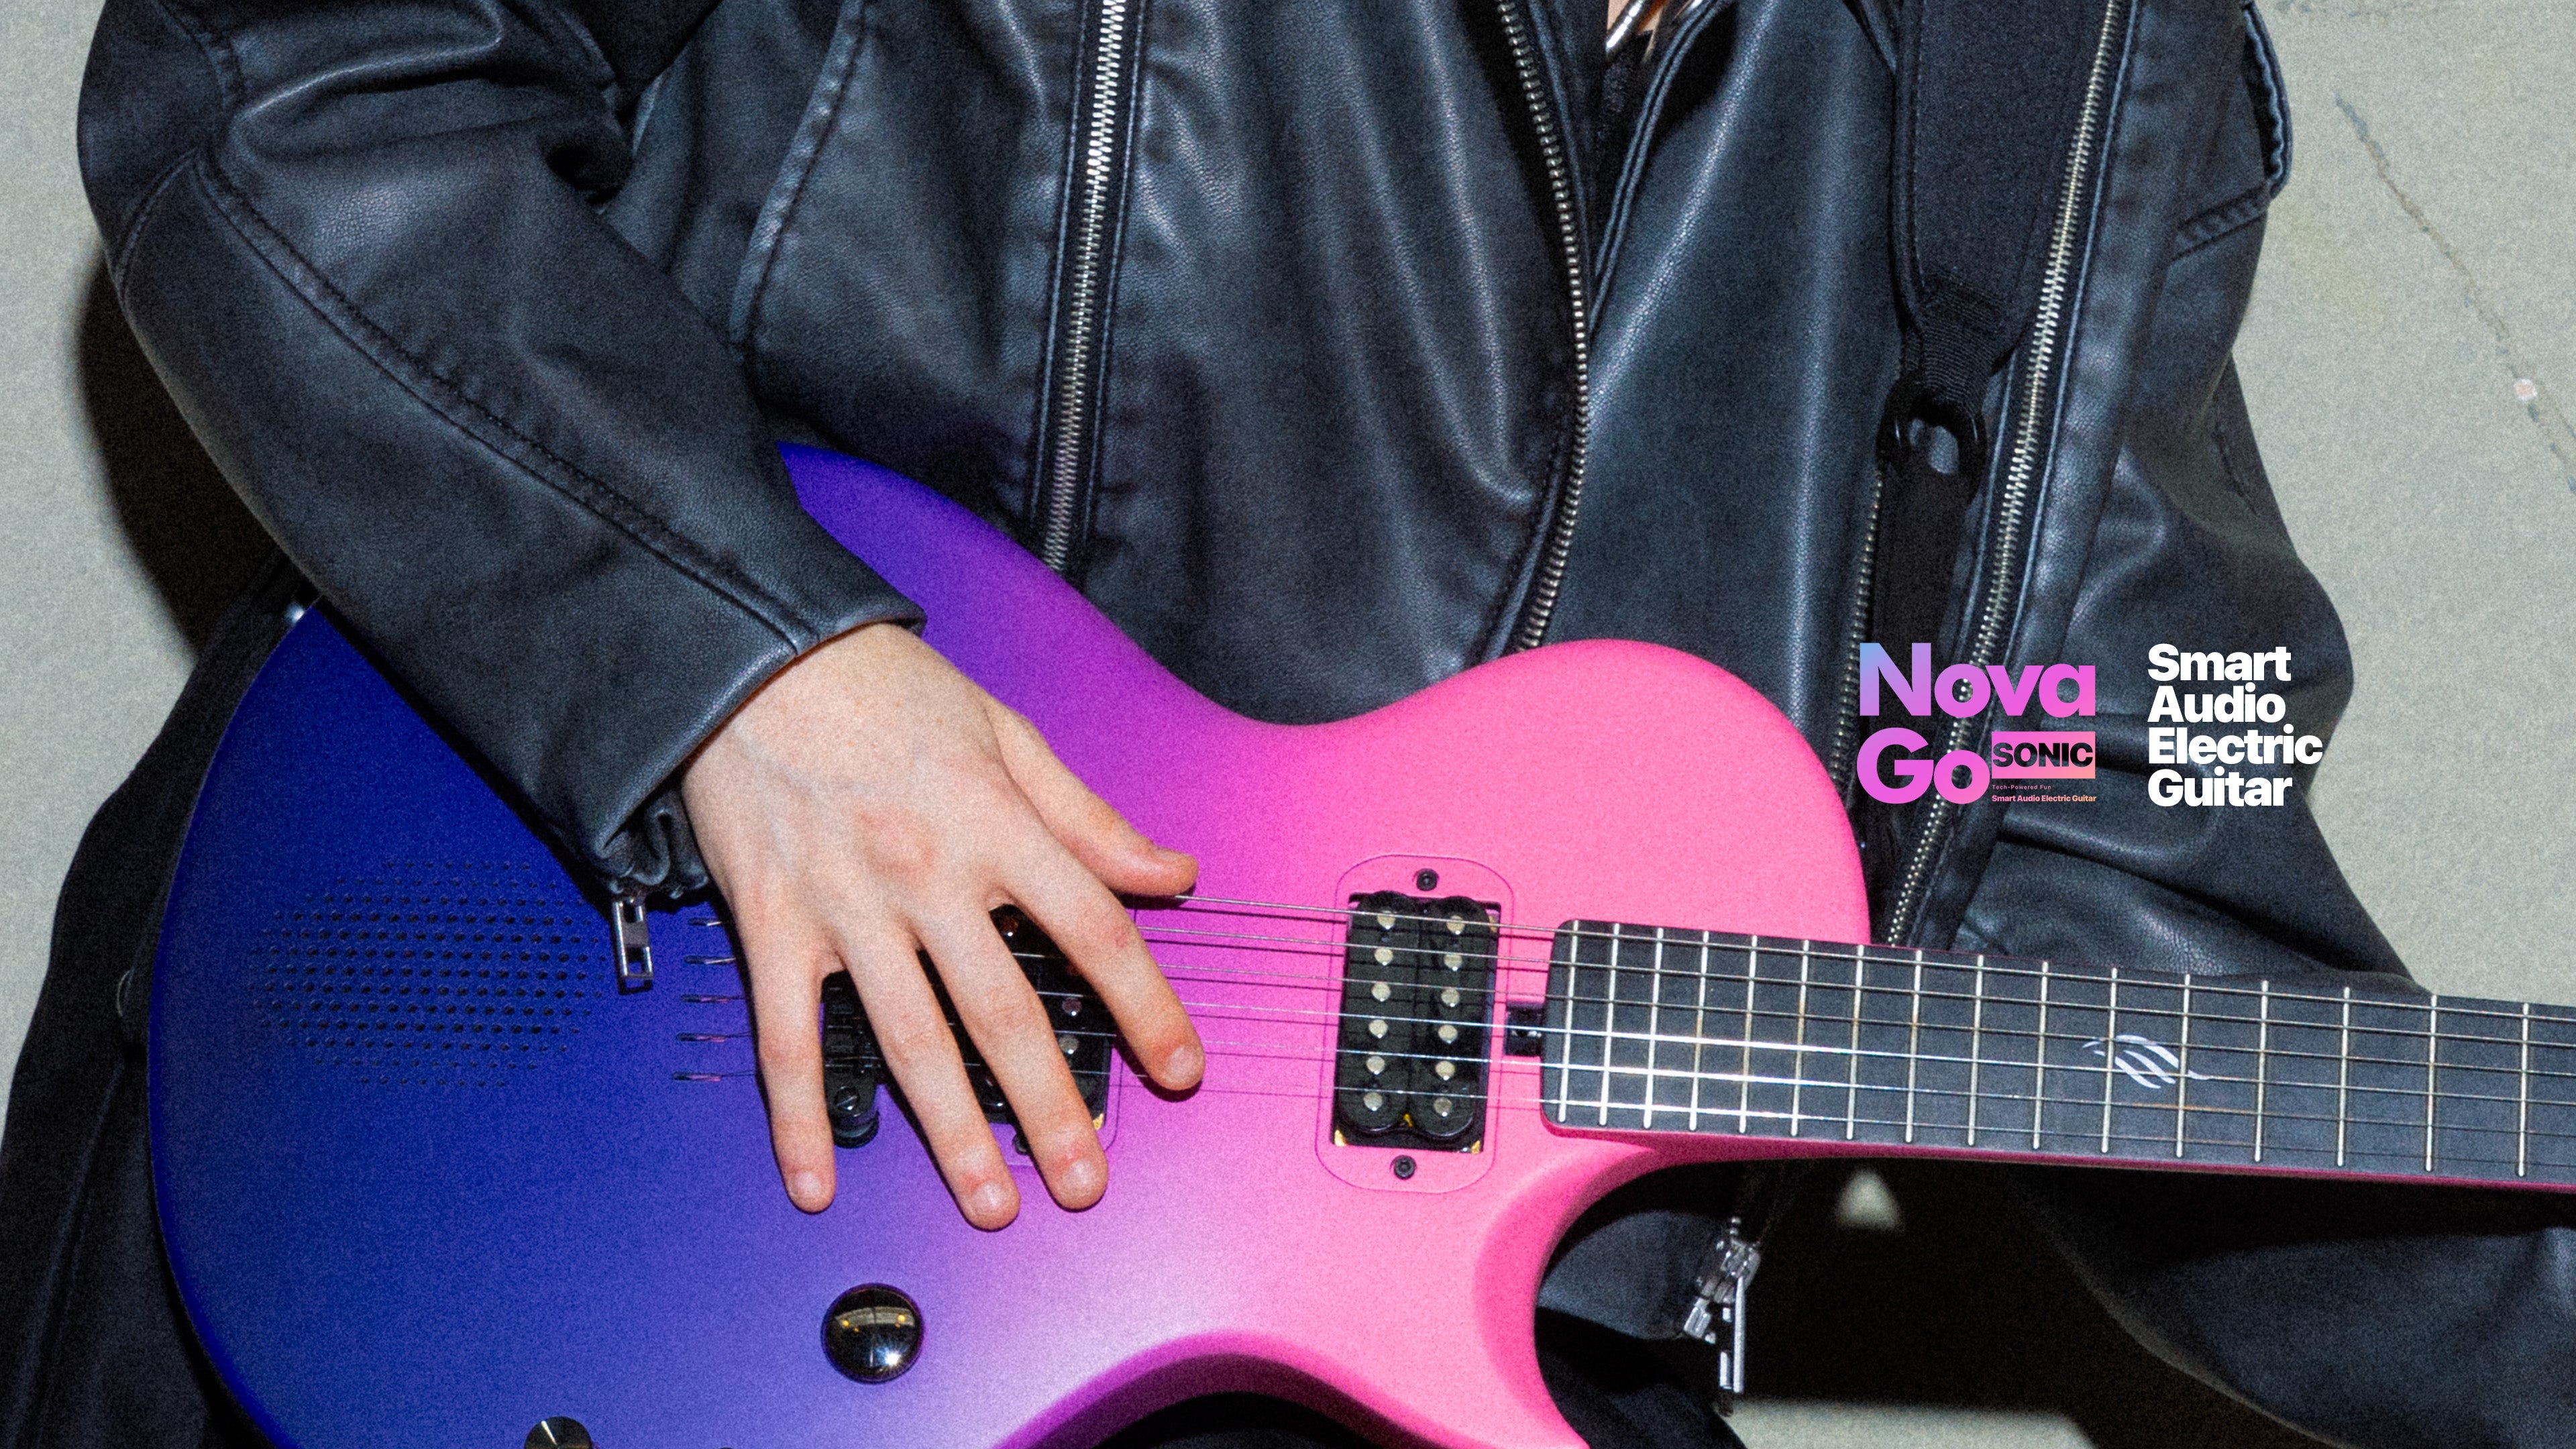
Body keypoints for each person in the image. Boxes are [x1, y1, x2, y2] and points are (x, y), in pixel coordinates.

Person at [10, 0, 2574, 1446]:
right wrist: (745, 662)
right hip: (528, 1183)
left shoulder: (2086, 75)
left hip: (1437, 1369)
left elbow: (2109, 885)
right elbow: (282, 85)